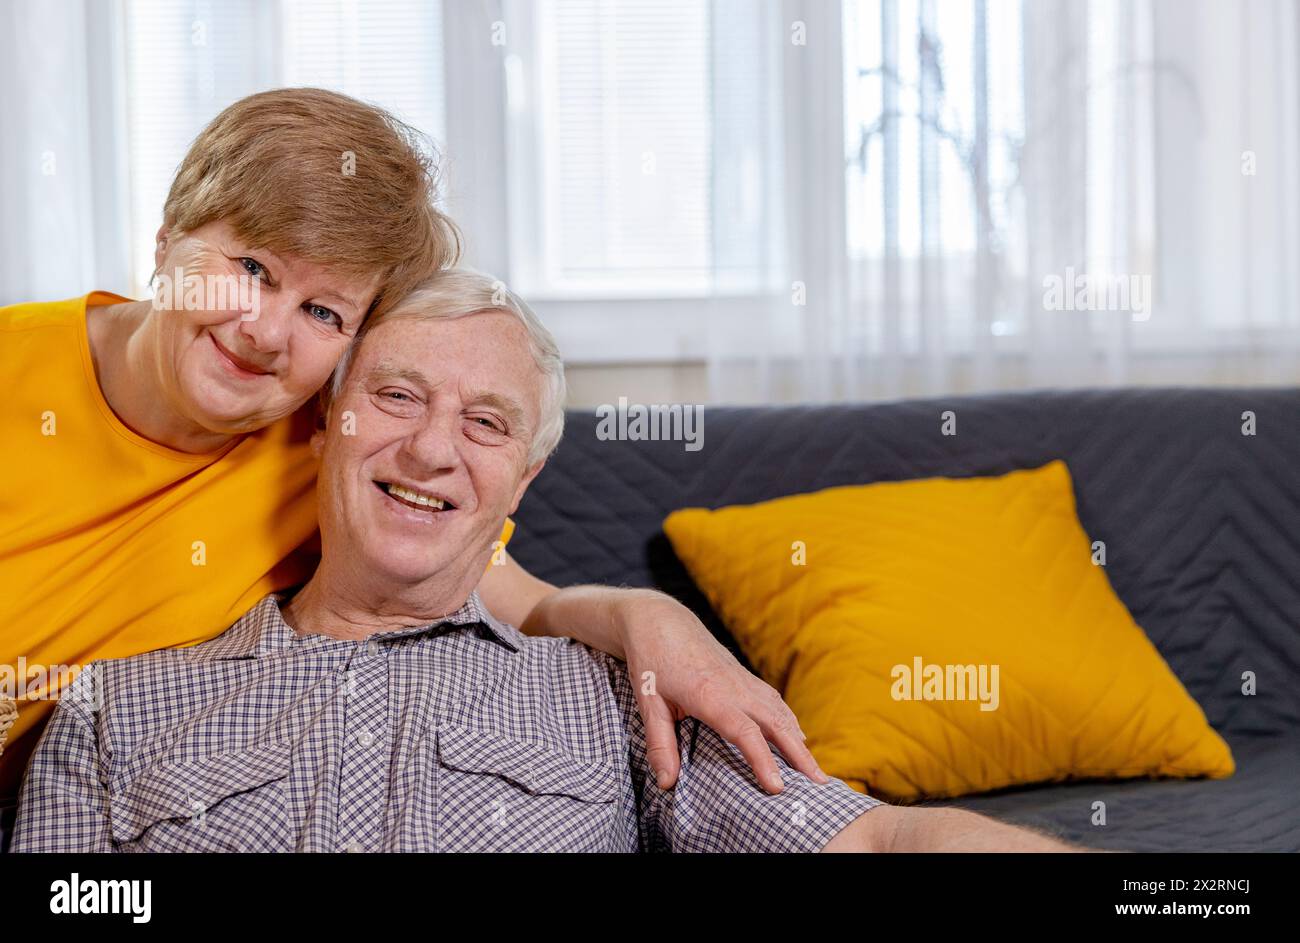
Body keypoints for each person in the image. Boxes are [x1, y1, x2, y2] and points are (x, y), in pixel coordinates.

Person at [13, 270, 1083, 852]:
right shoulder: (118, 709)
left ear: (522, 482)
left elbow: (874, 845)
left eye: (485, 423)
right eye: (395, 396)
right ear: (322, 424)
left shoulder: (612, 697)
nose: (431, 448)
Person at [0, 89, 817, 821]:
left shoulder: (337, 451)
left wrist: (657, 616)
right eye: (250, 268)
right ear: (167, 239)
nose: (265, 331)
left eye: (322, 310)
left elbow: (520, 602)